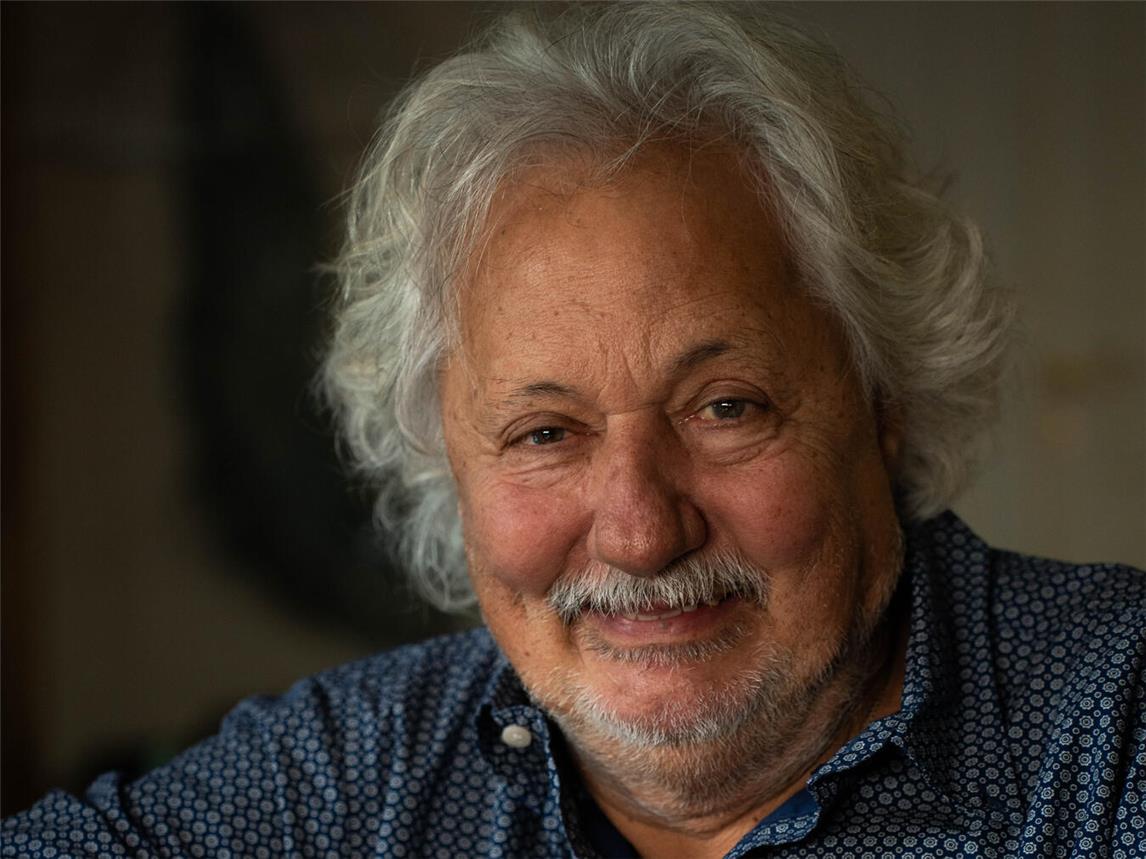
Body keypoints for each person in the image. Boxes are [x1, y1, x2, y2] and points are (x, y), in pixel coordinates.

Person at [4, 4, 1143, 857]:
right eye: (545, 432)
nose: (641, 531)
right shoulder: (345, 783)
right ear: (445, 459)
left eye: (726, 406)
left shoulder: (1112, 725)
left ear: (883, 404)